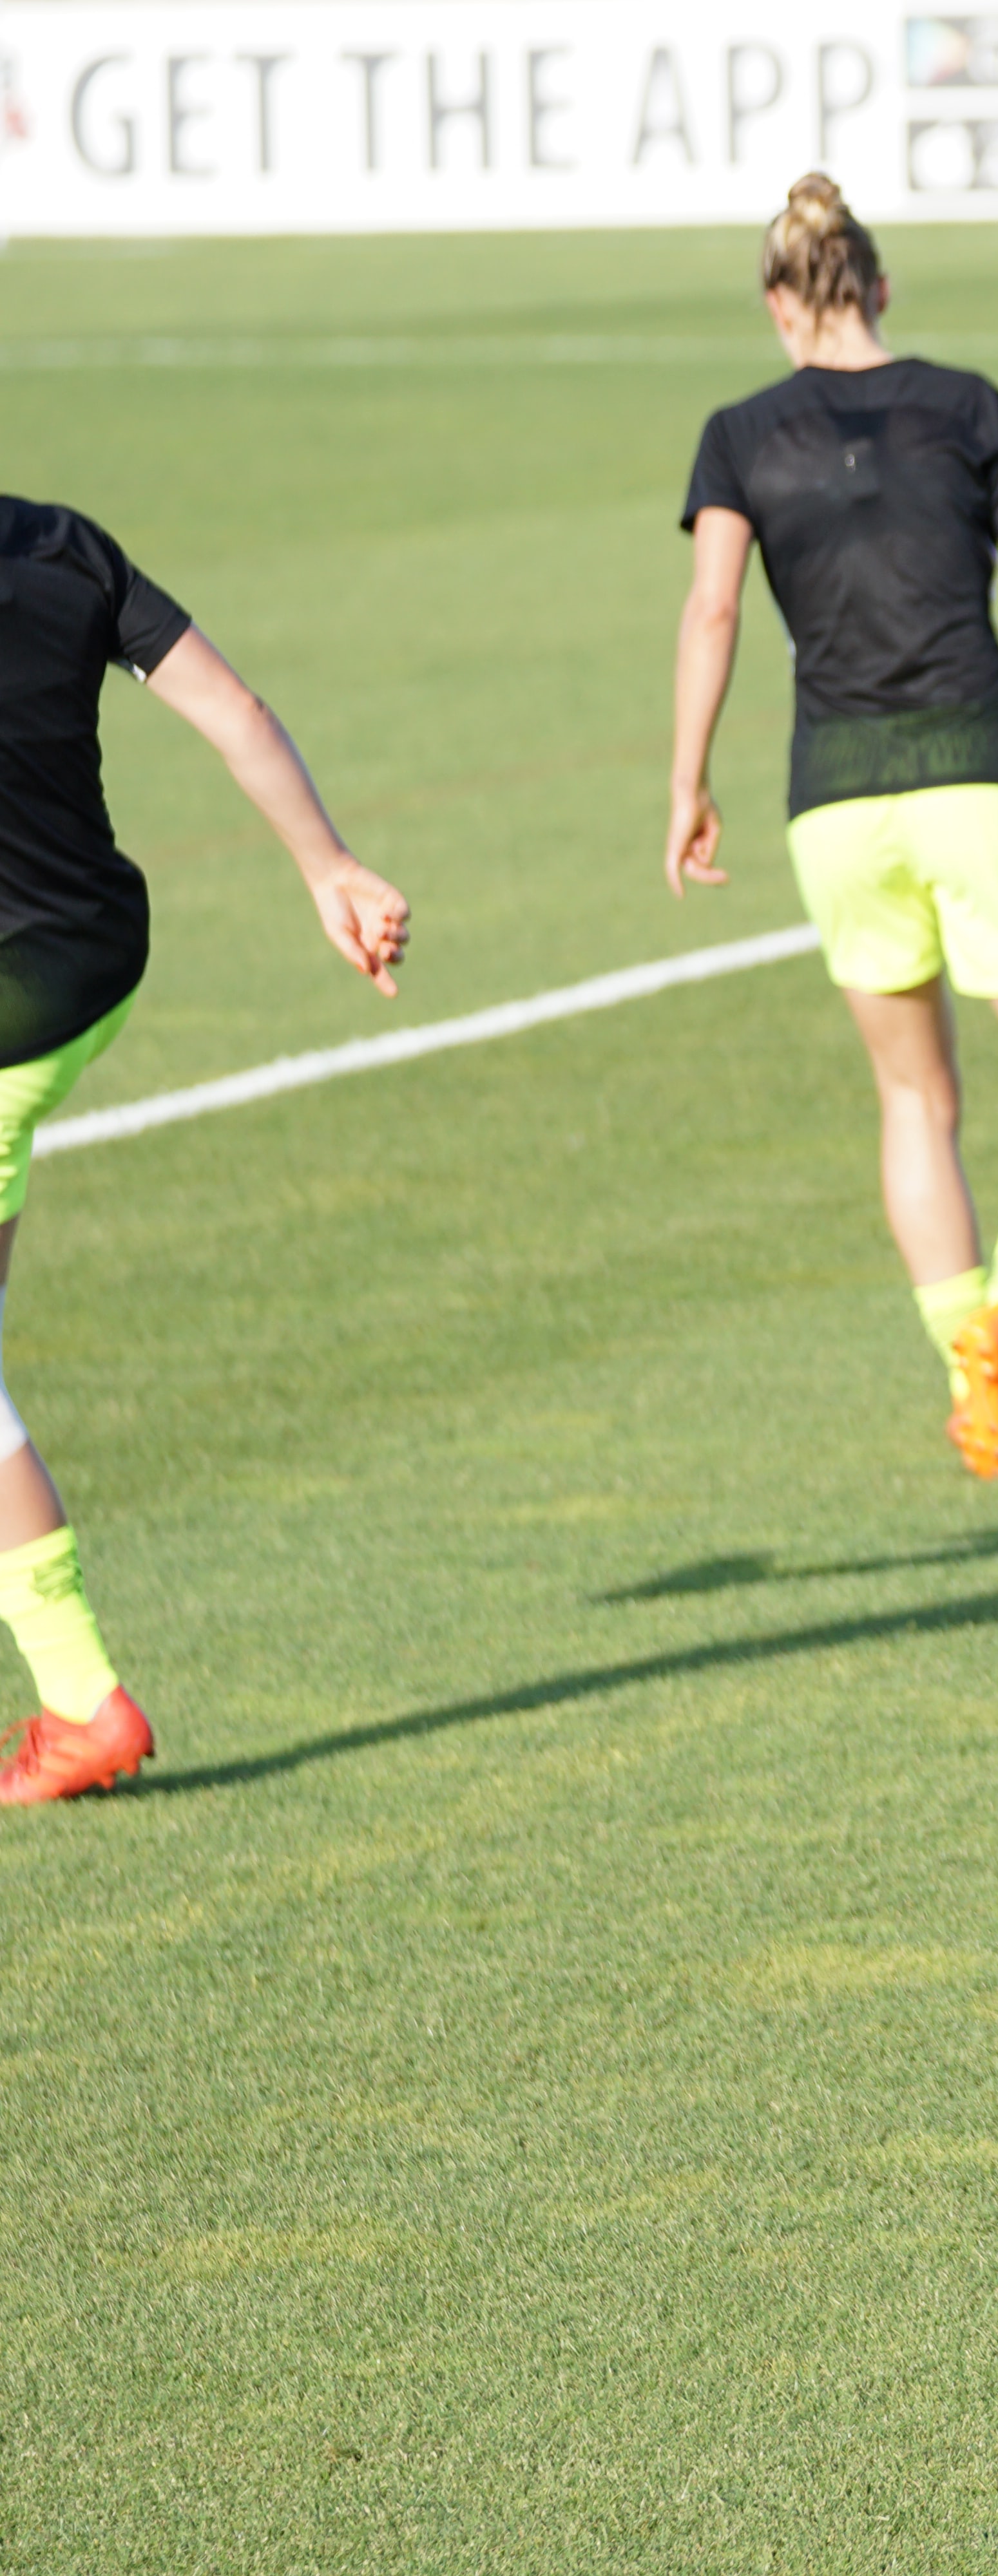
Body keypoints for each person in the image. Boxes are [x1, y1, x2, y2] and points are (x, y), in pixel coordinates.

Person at [666, 173, 998, 1481]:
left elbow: (712, 614)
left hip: (834, 801)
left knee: (913, 1099)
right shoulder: (965, 403)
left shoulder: (738, 434)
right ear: (880, 286)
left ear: (779, 306)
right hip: (979, 772)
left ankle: (967, 1380)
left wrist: (687, 783)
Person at [0, 498, 411, 1803]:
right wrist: (329, 866)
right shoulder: (62, 546)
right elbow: (233, 709)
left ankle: (80, 1699)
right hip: (94, 968)